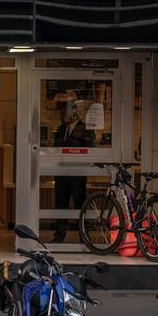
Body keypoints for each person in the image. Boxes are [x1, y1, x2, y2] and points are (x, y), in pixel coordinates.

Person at [52, 97, 93, 243]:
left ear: (75, 112)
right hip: (61, 173)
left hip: (77, 173)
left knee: (79, 204)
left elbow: (90, 148)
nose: (65, 115)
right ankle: (59, 235)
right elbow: (55, 146)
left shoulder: (84, 128)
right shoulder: (61, 128)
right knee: (61, 204)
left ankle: (83, 236)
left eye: (67, 111)